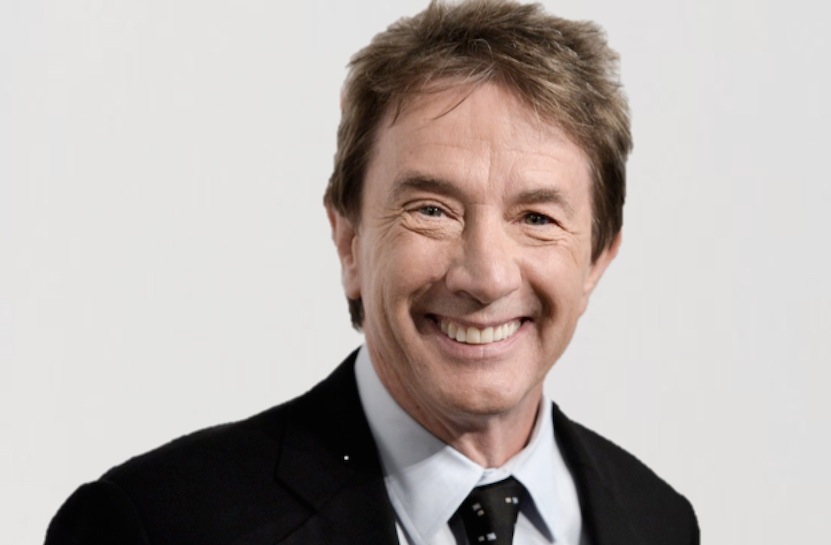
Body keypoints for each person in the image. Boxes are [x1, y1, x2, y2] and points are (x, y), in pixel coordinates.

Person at [45, 1, 699, 543]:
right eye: (432, 210)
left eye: (536, 218)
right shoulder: (153, 526)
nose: (486, 276)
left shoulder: (660, 522)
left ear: (596, 260)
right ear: (349, 242)